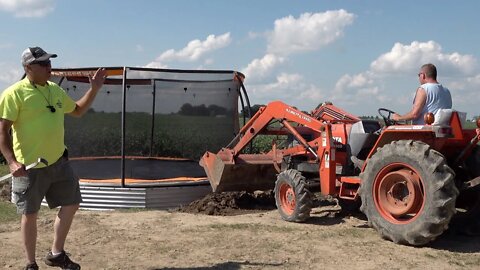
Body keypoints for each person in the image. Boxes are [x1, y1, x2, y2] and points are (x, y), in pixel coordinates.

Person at [0, 47, 107, 270]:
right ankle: (31, 264)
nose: (50, 67)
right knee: (30, 214)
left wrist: (94, 89)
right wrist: (12, 161)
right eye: (43, 63)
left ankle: (56, 253)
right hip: (29, 167)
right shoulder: (14, 94)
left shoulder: (55, 91)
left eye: (49, 62)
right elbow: (2, 132)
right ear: (28, 68)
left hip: (59, 161)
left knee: (72, 203)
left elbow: (77, 110)